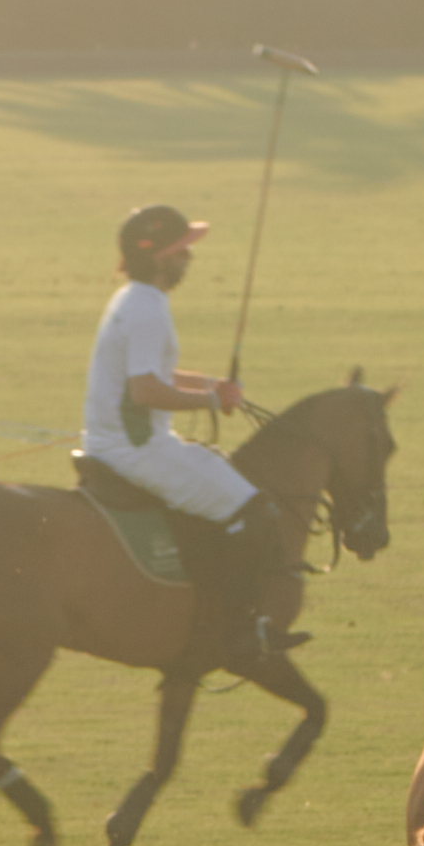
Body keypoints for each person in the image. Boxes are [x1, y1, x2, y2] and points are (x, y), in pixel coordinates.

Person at [75, 204, 262, 585]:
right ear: (159, 258)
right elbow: (145, 391)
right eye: (181, 250)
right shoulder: (147, 311)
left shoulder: (133, 297)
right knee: (252, 510)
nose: (188, 257)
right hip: (137, 449)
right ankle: (240, 626)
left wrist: (212, 386)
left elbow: (151, 375)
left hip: (117, 441)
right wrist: (213, 401)